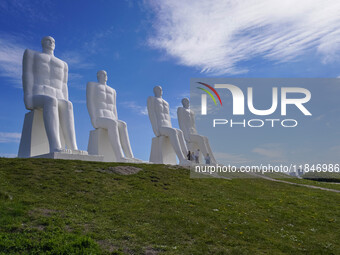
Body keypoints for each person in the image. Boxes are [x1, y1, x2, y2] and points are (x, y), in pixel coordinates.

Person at [22, 36, 83, 154]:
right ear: (42, 43)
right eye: (47, 40)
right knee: (51, 101)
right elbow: (27, 75)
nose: (51, 42)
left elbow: (64, 85)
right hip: (38, 95)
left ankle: (73, 146)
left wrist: (65, 100)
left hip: (57, 96)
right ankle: (55, 146)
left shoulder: (63, 64)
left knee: (68, 104)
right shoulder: (32, 55)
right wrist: (27, 97)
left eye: (53, 41)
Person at [87, 70, 140, 163]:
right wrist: (93, 118)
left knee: (123, 124)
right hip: (99, 118)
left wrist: (116, 119)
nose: (105, 76)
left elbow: (114, 107)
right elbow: (90, 102)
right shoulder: (92, 85)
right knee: (112, 123)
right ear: (98, 76)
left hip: (111, 118)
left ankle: (130, 156)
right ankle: (119, 156)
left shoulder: (112, 91)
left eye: (106, 74)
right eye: (102, 74)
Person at [147, 86, 190, 165]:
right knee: (173, 131)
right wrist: (155, 129)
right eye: (157, 89)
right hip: (160, 127)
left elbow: (168, 116)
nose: (159, 90)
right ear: (154, 91)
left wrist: (170, 127)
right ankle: (181, 159)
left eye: (160, 89)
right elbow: (151, 113)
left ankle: (189, 158)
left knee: (180, 132)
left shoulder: (166, 103)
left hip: (167, 126)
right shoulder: (151, 99)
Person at [177, 98, 216, 164]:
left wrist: (196, 133)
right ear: (182, 102)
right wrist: (185, 136)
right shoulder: (181, 110)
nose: (187, 102)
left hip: (193, 132)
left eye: (188, 101)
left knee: (205, 138)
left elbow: (193, 124)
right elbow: (181, 123)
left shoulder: (192, 112)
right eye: (185, 101)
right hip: (188, 134)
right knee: (200, 138)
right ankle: (208, 160)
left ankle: (213, 160)